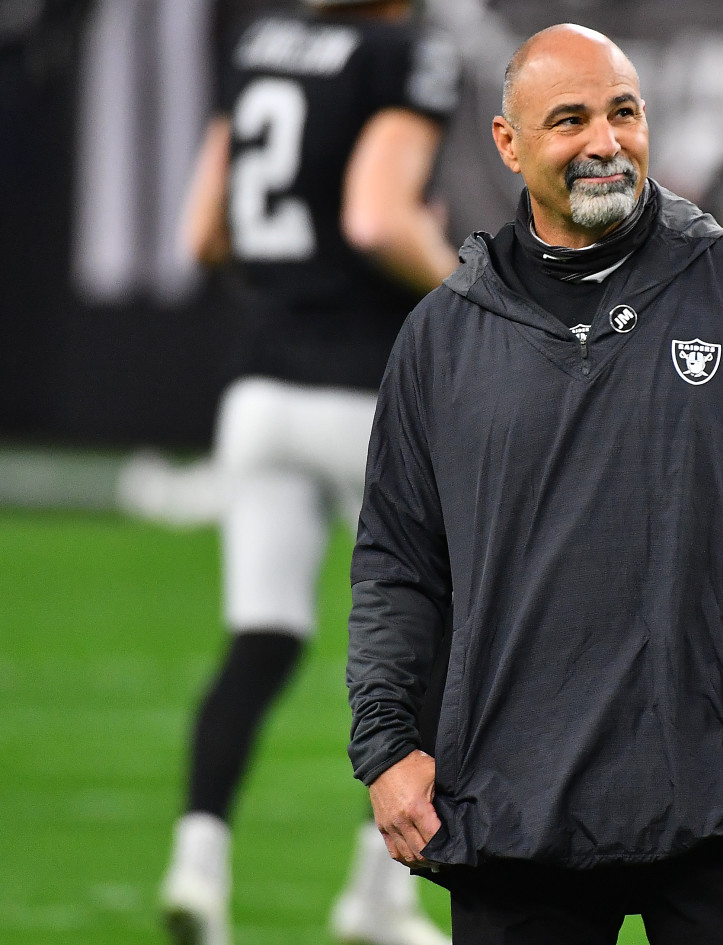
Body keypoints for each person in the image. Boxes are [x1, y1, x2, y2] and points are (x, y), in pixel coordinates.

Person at [346, 22, 723, 945]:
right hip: (510, 810)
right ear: (508, 143)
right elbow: (398, 565)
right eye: (570, 120)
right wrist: (387, 746)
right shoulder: (441, 335)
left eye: (623, 112)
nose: (606, 141)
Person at [159, 2, 460, 944]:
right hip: (365, 396)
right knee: (447, 639)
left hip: (257, 391)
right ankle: (379, 891)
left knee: (261, 638)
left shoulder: (261, 44)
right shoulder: (399, 53)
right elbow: (376, 216)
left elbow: (203, 235)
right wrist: (474, 295)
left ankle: (197, 864)